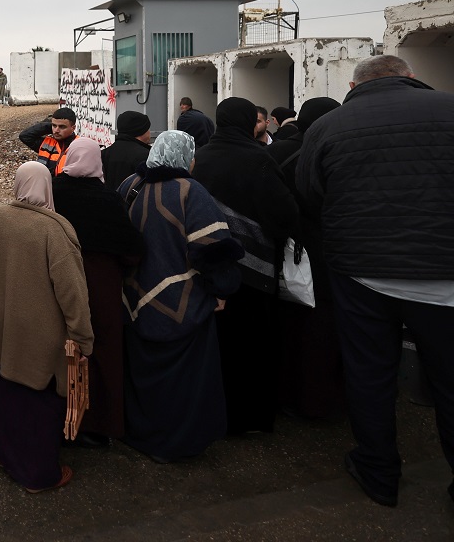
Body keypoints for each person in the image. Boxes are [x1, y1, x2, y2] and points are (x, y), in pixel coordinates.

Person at [297, 55, 454, 508]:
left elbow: (309, 196)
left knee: (370, 375)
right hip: (445, 273)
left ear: (354, 84)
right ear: (411, 77)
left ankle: (379, 472)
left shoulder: (328, 127)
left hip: (361, 272)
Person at [118, 131, 243, 463]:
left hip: (132, 303)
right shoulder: (191, 191)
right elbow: (212, 252)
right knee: (182, 386)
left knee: (143, 379)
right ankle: (175, 445)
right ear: (187, 158)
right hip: (182, 307)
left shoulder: (130, 185)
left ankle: (141, 434)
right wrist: (222, 289)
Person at [0, 161, 94, 492]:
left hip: (1, 329)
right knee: (38, 407)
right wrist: (83, 340)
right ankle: (38, 475)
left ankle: (5, 456)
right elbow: (73, 294)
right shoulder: (56, 230)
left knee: (4, 397)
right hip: (39, 338)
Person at [192, 97, 298, 436]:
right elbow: (285, 212)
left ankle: (216, 414)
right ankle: (250, 419)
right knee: (254, 344)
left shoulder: (202, 156)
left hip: (209, 264)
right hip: (254, 269)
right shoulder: (258, 158)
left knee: (218, 344)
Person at [52, 138, 144, 445]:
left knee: (64, 350)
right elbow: (131, 248)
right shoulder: (108, 199)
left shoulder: (55, 191)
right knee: (103, 351)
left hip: (61, 283)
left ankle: (63, 421)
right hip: (102, 285)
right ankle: (102, 425)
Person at [274, 97, 345, 421]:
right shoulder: (338, 151)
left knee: (292, 328)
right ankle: (325, 401)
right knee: (327, 329)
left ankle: (290, 396)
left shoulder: (277, 153)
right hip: (331, 252)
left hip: (290, 252)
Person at [101, 110, 152, 191]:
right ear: (140, 131)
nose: (150, 133)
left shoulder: (105, 153)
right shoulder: (145, 155)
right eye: (148, 129)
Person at [19, 108, 77, 175]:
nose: (56, 130)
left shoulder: (78, 146)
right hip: (44, 184)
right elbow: (25, 136)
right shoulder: (47, 143)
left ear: (73, 128)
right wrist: (50, 127)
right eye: (54, 125)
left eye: (62, 127)